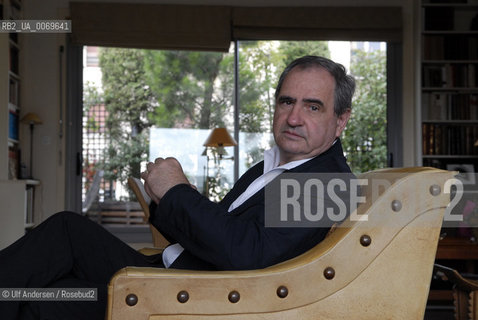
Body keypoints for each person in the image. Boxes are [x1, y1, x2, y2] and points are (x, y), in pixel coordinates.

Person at [0, 55, 355, 320]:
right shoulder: (277, 163)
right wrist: (164, 199)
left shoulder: (327, 183)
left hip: (201, 297)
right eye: (286, 101)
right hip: (180, 273)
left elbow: (247, 253)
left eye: (312, 106)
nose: (294, 117)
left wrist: (177, 192)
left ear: (340, 120)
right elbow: (225, 226)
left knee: (49, 292)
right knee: (64, 240)